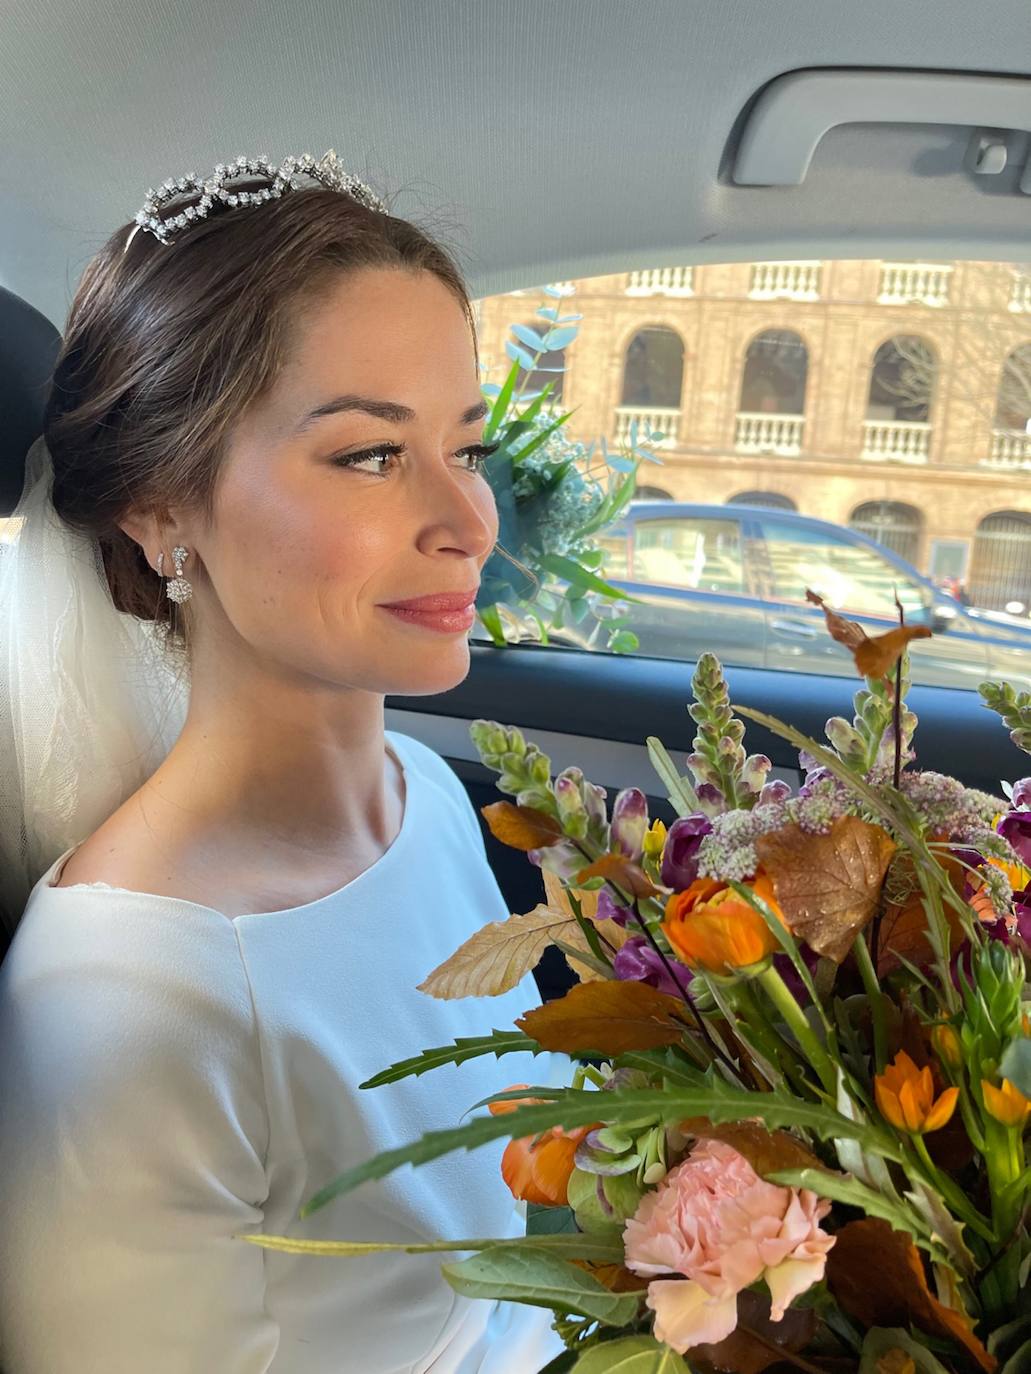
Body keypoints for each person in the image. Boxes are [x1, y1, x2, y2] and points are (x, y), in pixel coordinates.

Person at [0, 151, 568, 1372]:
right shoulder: (131, 998)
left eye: (463, 448)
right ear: (161, 506)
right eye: (369, 455)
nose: (469, 524)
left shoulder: (426, 804)